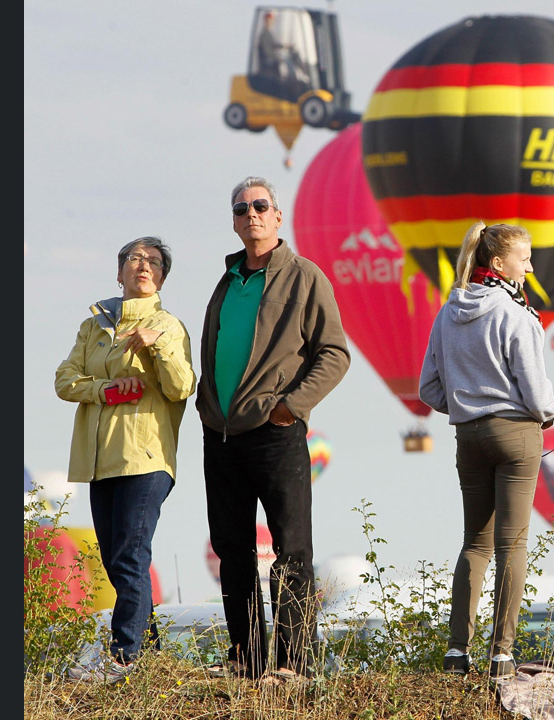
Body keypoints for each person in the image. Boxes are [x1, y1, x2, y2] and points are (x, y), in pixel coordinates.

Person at [196, 177, 350, 684]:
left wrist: (290, 406)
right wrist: (206, 406)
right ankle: (246, 657)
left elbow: (334, 353)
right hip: (220, 436)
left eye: (260, 206)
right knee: (232, 548)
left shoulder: (305, 277)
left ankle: (293, 663)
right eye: (241, 209)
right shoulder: (226, 282)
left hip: (275, 433)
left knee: (290, 546)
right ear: (234, 220)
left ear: (278, 216)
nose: (251, 215)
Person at [419, 222, 554, 679]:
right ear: (498, 263)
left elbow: (428, 389)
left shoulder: (447, 312)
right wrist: (547, 414)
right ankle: (502, 652)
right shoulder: (517, 314)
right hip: (516, 431)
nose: (531, 266)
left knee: (474, 544)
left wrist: (465, 404)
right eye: (524, 258)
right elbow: (535, 387)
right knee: (512, 544)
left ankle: (458, 650)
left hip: (468, 434)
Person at [56, 236, 197, 683]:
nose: (143, 266)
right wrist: (105, 390)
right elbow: (65, 379)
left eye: (154, 262)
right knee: (118, 559)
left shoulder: (168, 325)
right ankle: (152, 659)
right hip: (100, 460)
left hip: (145, 456)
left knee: (131, 555)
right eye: (135, 259)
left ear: (162, 278)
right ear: (118, 273)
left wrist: (155, 345)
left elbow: (181, 387)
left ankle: (124, 655)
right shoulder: (93, 325)